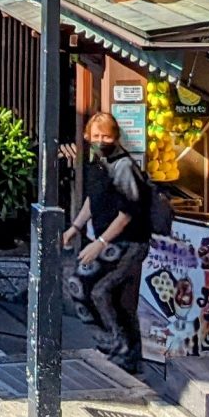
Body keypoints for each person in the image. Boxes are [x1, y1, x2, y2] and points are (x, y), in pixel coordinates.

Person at [63, 111, 153, 376]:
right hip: (110, 240)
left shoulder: (123, 166)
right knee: (112, 298)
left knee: (90, 287)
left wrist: (99, 243)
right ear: (87, 136)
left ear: (116, 137)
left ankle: (117, 349)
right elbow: (95, 199)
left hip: (129, 242)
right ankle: (123, 352)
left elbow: (128, 213)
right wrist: (76, 227)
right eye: (97, 136)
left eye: (107, 136)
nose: (101, 141)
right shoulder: (98, 162)